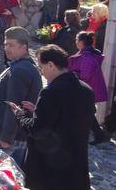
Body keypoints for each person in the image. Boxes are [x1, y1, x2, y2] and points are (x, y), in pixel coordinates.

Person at [9, 44, 95, 190]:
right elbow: (70, 115)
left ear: (51, 65)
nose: (42, 73)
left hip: (51, 169)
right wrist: (38, 109)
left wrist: (19, 114)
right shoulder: (86, 90)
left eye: (41, 68)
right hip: (76, 168)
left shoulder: (51, 92)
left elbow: (37, 130)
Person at [0, 27, 42, 165]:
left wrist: (6, 137)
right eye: (5, 44)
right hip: (17, 136)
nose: (6, 48)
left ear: (24, 47)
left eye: (11, 45)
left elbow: (14, 106)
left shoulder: (20, 71)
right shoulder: (24, 66)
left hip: (9, 139)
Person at [69, 31, 111, 144]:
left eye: (77, 40)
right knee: (88, 111)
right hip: (88, 89)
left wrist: (70, 74)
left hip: (87, 89)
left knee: (86, 111)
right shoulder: (87, 54)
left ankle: (98, 135)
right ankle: (97, 134)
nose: (76, 42)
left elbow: (85, 75)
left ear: (81, 42)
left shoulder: (87, 56)